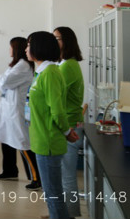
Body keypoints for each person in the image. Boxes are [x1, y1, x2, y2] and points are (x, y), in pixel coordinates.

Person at [26, 31, 79, 219]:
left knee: (53, 194)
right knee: (51, 193)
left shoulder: (50, 73)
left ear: (39, 47)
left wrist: (66, 131)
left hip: (49, 140)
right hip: (41, 138)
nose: (26, 49)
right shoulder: (42, 72)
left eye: (29, 45)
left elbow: (57, 110)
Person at [0, 37, 41, 191]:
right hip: (8, 108)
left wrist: (1, 79)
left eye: (11, 47)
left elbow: (4, 82)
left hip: (16, 110)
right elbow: (4, 82)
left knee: (22, 142)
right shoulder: (16, 65)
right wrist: (2, 80)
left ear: (16, 49)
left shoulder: (23, 66)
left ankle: (36, 177)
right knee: (6, 139)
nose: (9, 50)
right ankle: (10, 171)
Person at [54, 26, 84, 218]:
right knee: (63, 174)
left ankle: (69, 214)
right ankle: (62, 212)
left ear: (67, 41)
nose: (53, 41)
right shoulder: (65, 63)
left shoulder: (67, 66)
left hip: (70, 124)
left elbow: (54, 95)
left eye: (56, 38)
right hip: (69, 122)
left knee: (67, 176)